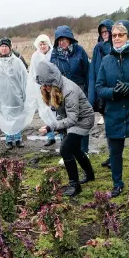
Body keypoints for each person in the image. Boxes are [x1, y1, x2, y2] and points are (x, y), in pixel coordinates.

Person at [96, 20, 129, 197]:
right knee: (115, 152)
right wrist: (113, 92)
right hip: (114, 112)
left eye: (121, 35)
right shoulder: (106, 60)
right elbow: (99, 86)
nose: (117, 38)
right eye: (114, 35)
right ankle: (117, 184)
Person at [36, 61, 94, 197]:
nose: (45, 87)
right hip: (73, 119)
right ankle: (90, 174)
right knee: (74, 148)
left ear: (53, 81)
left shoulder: (69, 89)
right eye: (43, 85)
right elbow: (63, 112)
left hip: (83, 120)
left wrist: (52, 127)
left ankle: (75, 185)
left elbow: (73, 119)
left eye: (48, 84)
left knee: (65, 148)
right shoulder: (54, 87)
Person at [50, 25, 91, 158]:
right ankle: (67, 151)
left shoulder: (80, 51)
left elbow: (87, 72)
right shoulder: (54, 55)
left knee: (81, 119)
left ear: (70, 39)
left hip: (79, 89)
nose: (62, 42)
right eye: (59, 40)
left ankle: (84, 150)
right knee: (64, 120)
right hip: (61, 92)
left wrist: (89, 92)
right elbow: (51, 76)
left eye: (64, 39)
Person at [0, 37, 35, 149]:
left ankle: (18, 139)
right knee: (5, 118)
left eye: (6, 46)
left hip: (16, 97)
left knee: (17, 118)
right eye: (2, 46)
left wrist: (25, 96)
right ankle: (8, 140)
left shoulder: (17, 62)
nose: (3, 49)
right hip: (2, 97)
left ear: (10, 48)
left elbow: (24, 80)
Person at [27, 34, 56, 147]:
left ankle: (63, 135)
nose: (43, 46)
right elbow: (33, 72)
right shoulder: (35, 56)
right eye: (41, 44)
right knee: (46, 110)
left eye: (44, 43)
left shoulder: (53, 54)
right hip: (42, 87)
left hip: (54, 87)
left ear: (48, 44)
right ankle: (50, 136)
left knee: (57, 111)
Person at [89, 19, 114, 127]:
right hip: (101, 80)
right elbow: (94, 66)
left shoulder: (115, 45)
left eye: (106, 31)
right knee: (101, 103)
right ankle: (104, 117)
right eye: (102, 32)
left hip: (112, 80)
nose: (104, 34)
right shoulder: (97, 47)